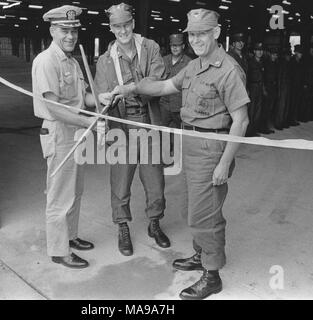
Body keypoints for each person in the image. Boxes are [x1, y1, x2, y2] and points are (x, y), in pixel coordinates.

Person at [102, 7, 249, 300]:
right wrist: (130, 88)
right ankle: (200, 254)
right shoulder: (194, 67)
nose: (195, 39)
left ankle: (211, 274)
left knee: (205, 215)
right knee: (192, 209)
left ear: (216, 33)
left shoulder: (229, 69)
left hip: (212, 149)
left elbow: (241, 120)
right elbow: (165, 85)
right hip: (191, 146)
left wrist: (224, 163)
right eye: (191, 34)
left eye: (201, 34)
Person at [94, 3, 170, 257]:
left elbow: (156, 82)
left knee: (155, 181)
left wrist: (130, 88)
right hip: (121, 126)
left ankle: (154, 223)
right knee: (120, 181)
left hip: (148, 123)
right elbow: (100, 94)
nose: (123, 30)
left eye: (126, 24)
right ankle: (123, 227)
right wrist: (104, 98)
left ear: (133, 24)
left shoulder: (151, 48)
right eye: (117, 26)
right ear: (111, 29)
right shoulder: (105, 60)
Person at [32, 5, 103, 269]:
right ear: (53, 30)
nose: (70, 36)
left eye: (74, 30)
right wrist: (89, 122)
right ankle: (59, 251)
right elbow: (55, 107)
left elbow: (81, 98)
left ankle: (71, 237)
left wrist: (98, 100)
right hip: (59, 132)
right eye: (64, 30)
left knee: (75, 191)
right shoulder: (45, 62)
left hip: (76, 132)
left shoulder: (72, 61)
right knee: (59, 194)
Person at [160, 34, 191, 153]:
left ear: (183, 46)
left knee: (180, 131)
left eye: (177, 46)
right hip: (164, 103)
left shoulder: (189, 62)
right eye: (173, 45)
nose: (175, 48)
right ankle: (166, 156)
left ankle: (179, 154)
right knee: (164, 130)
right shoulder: (164, 60)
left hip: (180, 104)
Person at [247, 42, 268, 135]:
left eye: (261, 50)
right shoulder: (250, 62)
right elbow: (246, 76)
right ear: (254, 51)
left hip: (259, 87)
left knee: (258, 110)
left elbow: (263, 77)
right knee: (251, 110)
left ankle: (254, 130)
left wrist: (263, 89)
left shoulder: (262, 62)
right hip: (252, 88)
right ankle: (249, 131)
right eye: (258, 50)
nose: (260, 52)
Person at [263, 47, 280, 131]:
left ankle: (267, 125)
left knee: (271, 108)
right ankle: (264, 126)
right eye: (273, 54)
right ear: (270, 54)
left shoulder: (276, 64)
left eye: (276, 55)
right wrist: (264, 88)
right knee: (266, 108)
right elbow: (263, 77)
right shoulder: (266, 63)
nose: (274, 56)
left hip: (273, 87)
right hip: (267, 87)